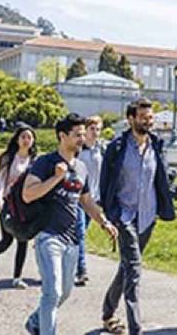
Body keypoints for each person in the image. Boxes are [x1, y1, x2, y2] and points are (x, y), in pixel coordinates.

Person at [23, 113, 119, 335]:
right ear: (62, 136)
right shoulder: (45, 163)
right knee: (52, 293)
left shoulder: (82, 167)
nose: (82, 139)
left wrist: (104, 222)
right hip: (48, 237)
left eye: (83, 135)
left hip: (72, 240)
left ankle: (35, 321)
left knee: (64, 293)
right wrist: (56, 178)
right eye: (77, 135)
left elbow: (86, 201)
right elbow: (28, 194)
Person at [99, 99, 176, 335]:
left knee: (127, 266)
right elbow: (106, 182)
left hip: (147, 216)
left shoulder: (156, 145)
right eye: (143, 117)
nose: (148, 121)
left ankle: (108, 313)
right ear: (131, 119)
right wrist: (111, 214)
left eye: (150, 118)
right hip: (125, 215)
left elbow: (159, 179)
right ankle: (135, 328)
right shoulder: (118, 147)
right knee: (134, 269)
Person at [0, 123, 37, 288]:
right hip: (8, 204)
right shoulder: (8, 158)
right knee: (6, 240)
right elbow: (1, 180)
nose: (26, 140)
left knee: (22, 240)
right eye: (23, 137)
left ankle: (17, 277)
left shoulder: (35, 161)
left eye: (29, 137)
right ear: (17, 139)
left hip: (25, 205)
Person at [74, 115, 105, 287]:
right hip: (78, 197)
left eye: (98, 129)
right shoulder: (79, 150)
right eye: (92, 128)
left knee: (79, 234)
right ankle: (81, 270)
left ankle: (69, 264)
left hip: (94, 198)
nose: (95, 132)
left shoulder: (101, 150)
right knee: (79, 233)